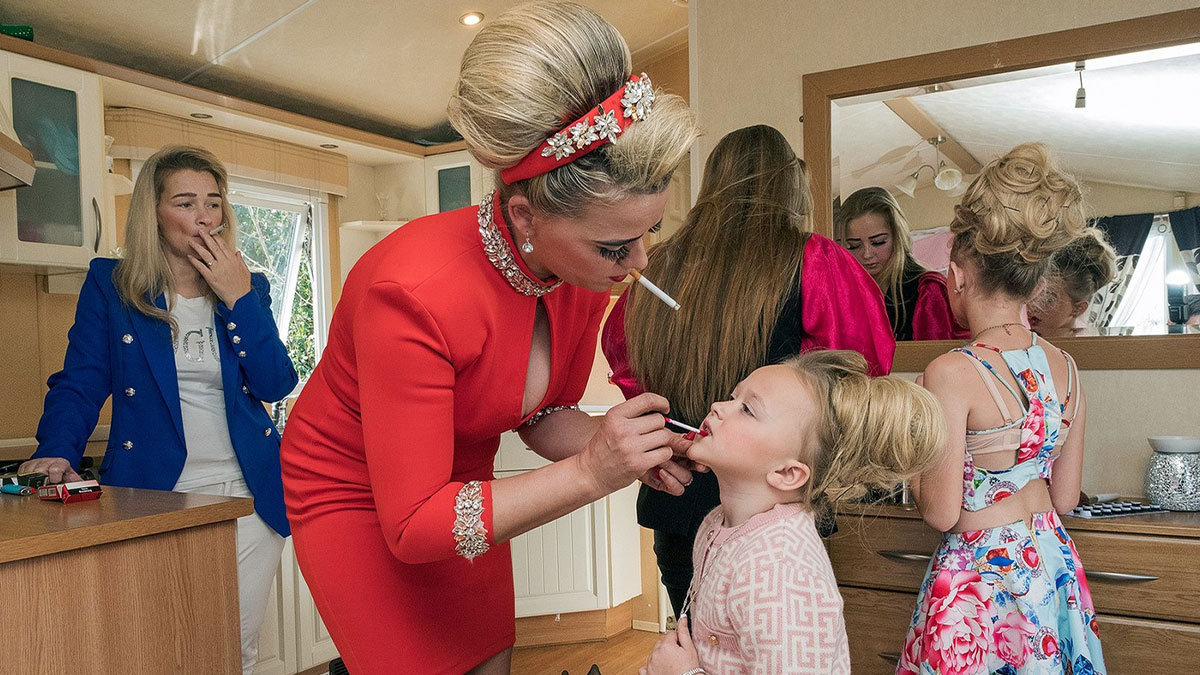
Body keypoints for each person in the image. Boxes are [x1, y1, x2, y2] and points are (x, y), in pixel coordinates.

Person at [278, 3, 700, 673]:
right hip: (354, 494)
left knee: (487, 659)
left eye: (648, 232)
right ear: (527, 215)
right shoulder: (409, 294)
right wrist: (595, 470)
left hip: (457, 483)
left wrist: (630, 444)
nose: (640, 261)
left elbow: (542, 416)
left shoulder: (578, 274)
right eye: (617, 244)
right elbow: (415, 523)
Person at [20, 145, 298, 675]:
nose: (204, 218)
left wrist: (239, 299)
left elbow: (276, 382)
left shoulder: (247, 286)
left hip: (249, 495)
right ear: (154, 212)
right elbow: (80, 381)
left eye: (214, 203)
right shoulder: (113, 285)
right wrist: (56, 450)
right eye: (187, 203)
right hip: (152, 493)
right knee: (159, 649)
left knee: (233, 650)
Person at [601, 124, 895, 619]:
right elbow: (857, 370)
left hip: (677, 502)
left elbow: (626, 365)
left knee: (699, 653)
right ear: (792, 185)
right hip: (775, 509)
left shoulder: (657, 270)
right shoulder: (816, 260)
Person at [899, 143, 1106, 674]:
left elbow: (942, 512)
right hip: (1050, 572)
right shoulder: (1066, 368)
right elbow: (1063, 496)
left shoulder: (951, 373)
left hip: (980, 584)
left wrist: (913, 445)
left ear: (958, 273)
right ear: (1038, 280)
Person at [639, 351, 945, 674]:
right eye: (734, 396)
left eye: (747, 409)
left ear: (787, 474)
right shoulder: (716, 524)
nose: (718, 406)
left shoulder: (780, 572)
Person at [835, 186, 970, 341]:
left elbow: (933, 354)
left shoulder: (927, 290)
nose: (867, 254)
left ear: (897, 238)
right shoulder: (844, 291)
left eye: (878, 242)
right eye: (854, 245)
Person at [1027, 228, 1116, 337]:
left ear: (1078, 309)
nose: (1032, 305)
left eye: (1049, 299)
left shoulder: (1089, 347)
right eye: (1032, 290)